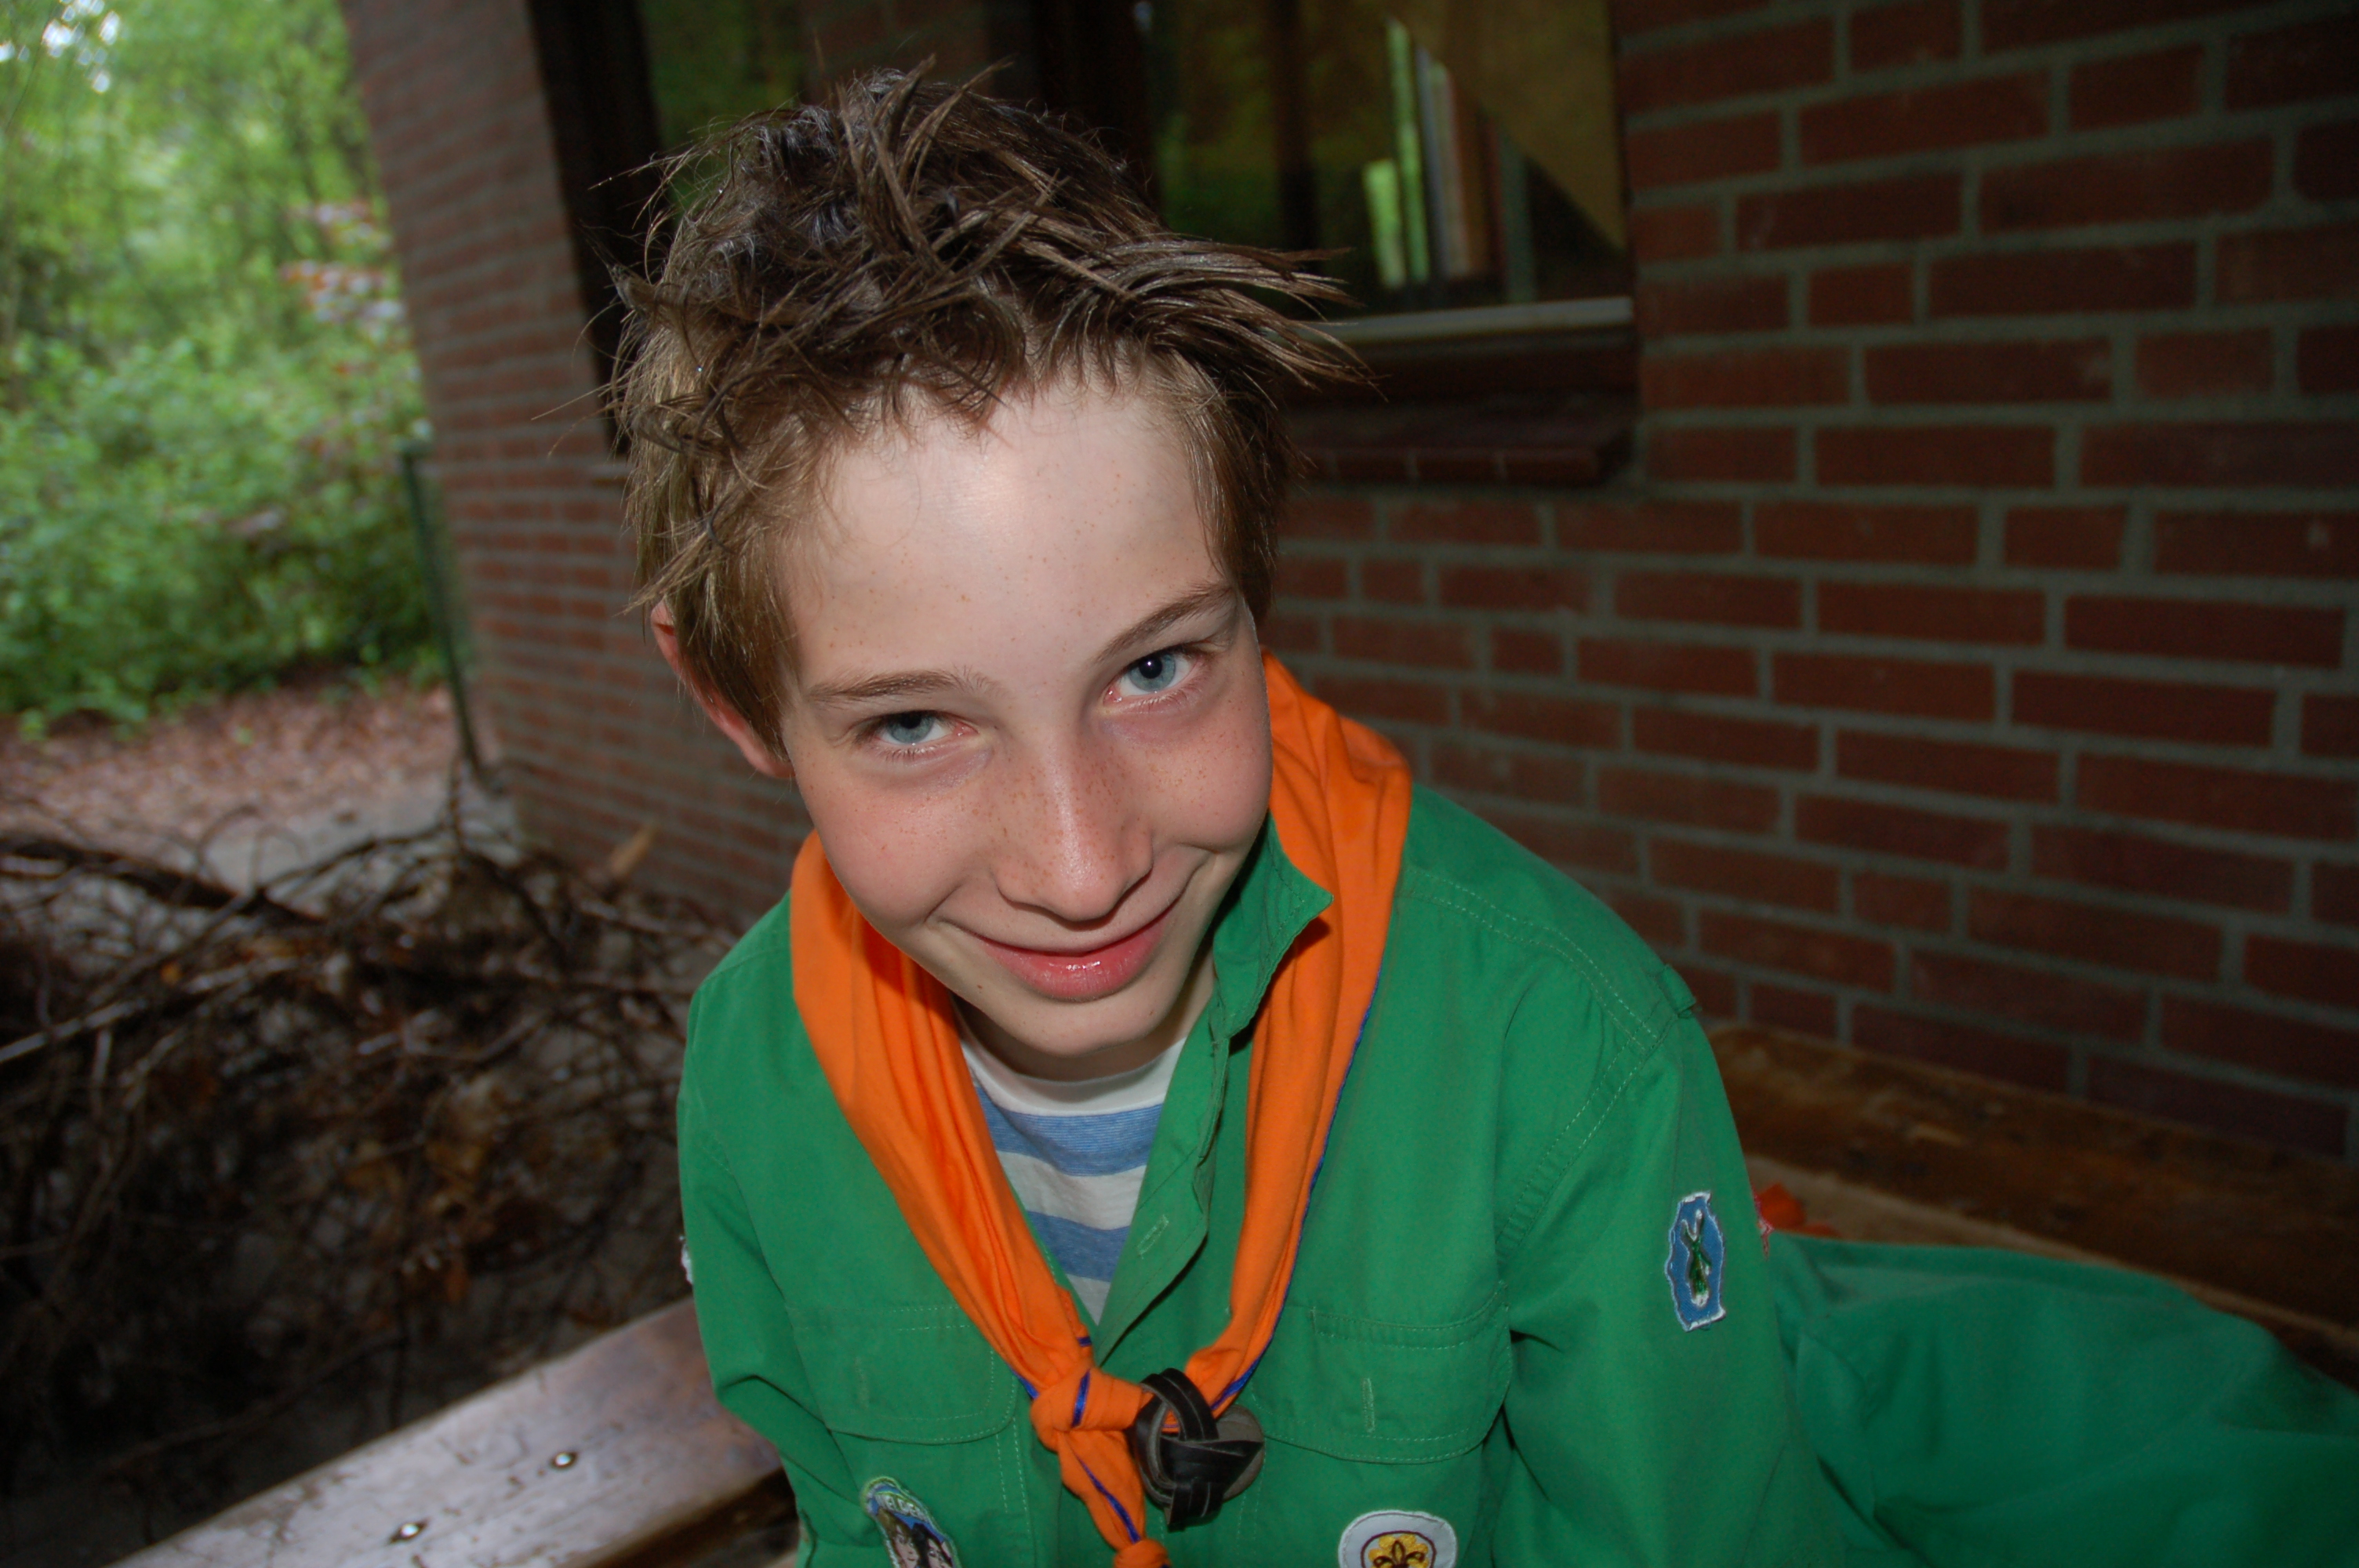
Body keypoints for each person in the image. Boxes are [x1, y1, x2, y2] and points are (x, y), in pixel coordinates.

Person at [623, 72, 2359, 1568]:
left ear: (1256, 604)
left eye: (1155, 670)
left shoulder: (1562, 1050)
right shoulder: (754, 1085)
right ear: (738, 706)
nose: (1082, 867)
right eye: (915, 725)